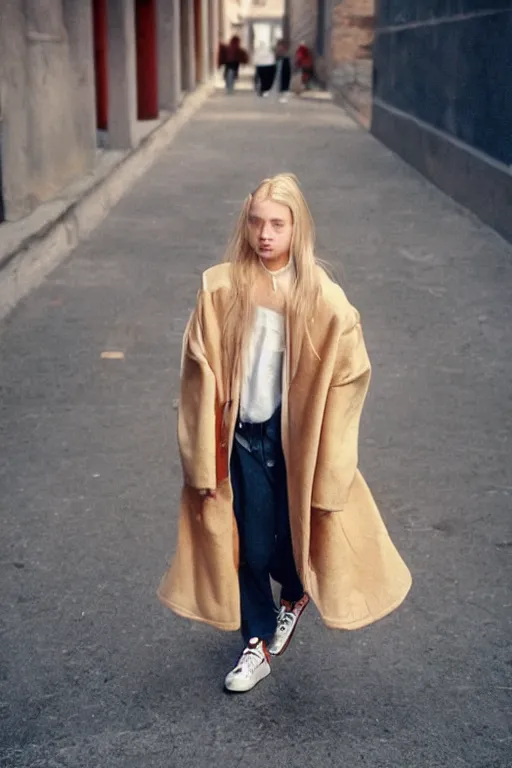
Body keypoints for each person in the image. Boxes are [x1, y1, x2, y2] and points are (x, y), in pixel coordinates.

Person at [158, 174, 412, 693]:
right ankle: (255, 643)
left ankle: (295, 590)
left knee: (288, 535)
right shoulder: (221, 289)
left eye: (277, 223)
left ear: (298, 228)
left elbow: (349, 375)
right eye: (255, 222)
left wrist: (332, 463)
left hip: (292, 441)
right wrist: (201, 459)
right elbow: (198, 371)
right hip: (243, 437)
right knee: (248, 543)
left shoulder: (323, 299)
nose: (264, 234)